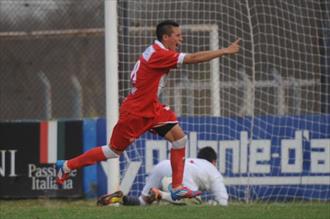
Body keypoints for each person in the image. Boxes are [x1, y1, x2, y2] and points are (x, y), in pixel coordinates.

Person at [55, 20, 240, 200]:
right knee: (113, 151)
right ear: (166, 37)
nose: (180, 40)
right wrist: (223, 51)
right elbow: (192, 58)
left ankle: (176, 188)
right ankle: (67, 165)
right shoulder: (159, 54)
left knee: (180, 139)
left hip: (152, 107)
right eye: (178, 36)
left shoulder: (156, 50)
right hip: (136, 111)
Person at [97, 147, 229, 206]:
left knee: (143, 201)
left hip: (164, 165)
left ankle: (120, 199)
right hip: (182, 171)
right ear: (214, 162)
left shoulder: (193, 161)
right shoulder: (213, 170)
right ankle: (161, 195)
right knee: (193, 203)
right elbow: (223, 201)